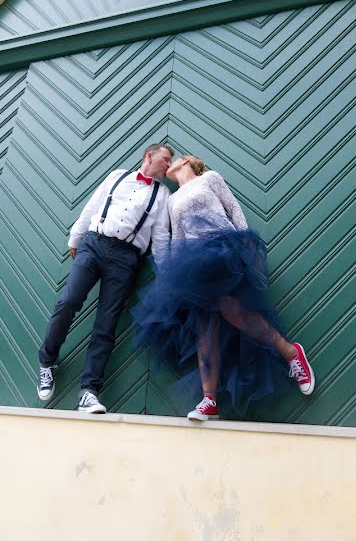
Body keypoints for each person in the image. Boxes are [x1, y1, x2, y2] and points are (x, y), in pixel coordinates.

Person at [133, 155, 315, 421]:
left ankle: (290, 352)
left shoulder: (210, 178)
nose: (169, 162)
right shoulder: (172, 201)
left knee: (230, 309)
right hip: (194, 263)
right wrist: (175, 274)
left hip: (222, 250)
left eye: (174, 158)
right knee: (206, 327)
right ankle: (210, 401)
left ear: (186, 161)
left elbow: (233, 208)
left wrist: (247, 246)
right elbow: (180, 237)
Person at [37, 144, 173, 413]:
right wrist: (76, 238)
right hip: (94, 244)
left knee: (106, 325)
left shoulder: (163, 193)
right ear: (149, 156)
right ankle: (47, 362)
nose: (168, 166)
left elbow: (160, 236)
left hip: (126, 258)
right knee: (69, 301)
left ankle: (89, 391)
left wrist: (167, 272)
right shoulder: (117, 176)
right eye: (166, 160)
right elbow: (93, 206)